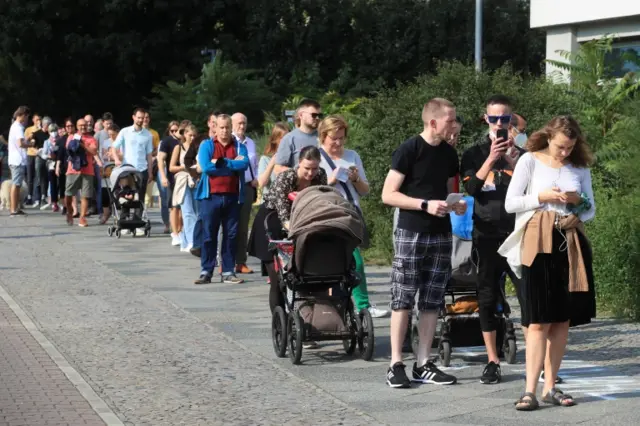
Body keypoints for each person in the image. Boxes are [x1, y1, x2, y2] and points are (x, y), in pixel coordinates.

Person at [501, 116, 596, 411]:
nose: (564, 152)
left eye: (569, 147)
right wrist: (541, 196)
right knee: (538, 318)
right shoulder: (530, 160)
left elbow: (590, 208)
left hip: (569, 239)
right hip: (537, 238)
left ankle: (551, 386)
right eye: (560, 146)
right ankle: (529, 389)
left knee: (561, 318)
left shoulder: (579, 168)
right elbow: (510, 203)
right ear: (548, 137)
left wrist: (576, 203)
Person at [381, 98, 467, 388]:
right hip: (411, 230)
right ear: (433, 122)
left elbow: (448, 192)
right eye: (449, 120)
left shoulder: (449, 155)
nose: (454, 124)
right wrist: (424, 204)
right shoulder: (408, 150)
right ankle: (395, 364)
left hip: (441, 232)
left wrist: (455, 205)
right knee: (402, 297)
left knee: (432, 299)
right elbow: (388, 194)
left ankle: (424, 363)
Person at [460, 95, 525, 384]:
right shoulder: (473, 154)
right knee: (485, 297)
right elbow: (471, 188)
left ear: (512, 121)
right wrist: (490, 159)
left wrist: (511, 162)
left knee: (528, 296)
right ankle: (492, 360)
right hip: (486, 235)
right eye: (495, 118)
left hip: (518, 235)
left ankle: (540, 360)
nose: (500, 124)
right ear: (486, 119)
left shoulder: (524, 155)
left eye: (505, 119)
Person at [317, 115, 389, 319]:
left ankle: (363, 304)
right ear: (323, 136)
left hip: (351, 213)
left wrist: (355, 178)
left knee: (355, 260)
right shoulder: (316, 157)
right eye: (334, 139)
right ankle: (333, 303)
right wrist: (329, 181)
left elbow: (365, 190)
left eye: (342, 138)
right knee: (330, 262)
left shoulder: (352, 155)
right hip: (327, 213)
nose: (338, 143)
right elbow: (308, 189)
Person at [255, 145, 327, 315]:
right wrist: (295, 230)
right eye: (307, 168)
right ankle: (280, 321)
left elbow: (321, 201)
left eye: (314, 168)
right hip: (271, 220)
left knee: (305, 274)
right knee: (277, 279)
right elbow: (282, 213)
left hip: (301, 220)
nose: (311, 173)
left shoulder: (321, 175)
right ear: (299, 164)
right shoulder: (286, 177)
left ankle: (307, 317)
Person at [193, 114, 249, 285]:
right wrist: (231, 164)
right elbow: (207, 167)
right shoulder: (206, 145)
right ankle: (206, 270)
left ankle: (228, 271)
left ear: (231, 128)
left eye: (227, 127)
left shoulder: (239, 146)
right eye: (221, 127)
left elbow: (244, 164)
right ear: (215, 128)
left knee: (231, 235)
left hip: (233, 197)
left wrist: (222, 163)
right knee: (209, 234)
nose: (224, 131)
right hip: (211, 197)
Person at [248, 122, 289, 281]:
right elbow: (262, 182)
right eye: (282, 138)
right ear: (275, 140)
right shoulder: (266, 159)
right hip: (271, 205)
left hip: (287, 204)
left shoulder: (291, 159)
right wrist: (273, 162)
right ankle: (271, 270)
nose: (285, 142)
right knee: (270, 239)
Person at [112, 107, 154, 234]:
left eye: (143, 118)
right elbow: (114, 147)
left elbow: (149, 155)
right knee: (126, 196)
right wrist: (116, 160)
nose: (141, 120)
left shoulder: (148, 135)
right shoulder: (125, 131)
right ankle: (124, 222)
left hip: (142, 169)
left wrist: (151, 172)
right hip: (127, 169)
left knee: (140, 198)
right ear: (134, 117)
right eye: (139, 117)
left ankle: (137, 224)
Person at [232, 112, 258, 274]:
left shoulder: (251, 143)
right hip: (231, 186)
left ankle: (241, 261)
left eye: (244, 123)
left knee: (243, 226)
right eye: (239, 123)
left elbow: (254, 164)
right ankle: (226, 261)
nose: (242, 126)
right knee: (229, 226)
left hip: (247, 186)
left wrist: (255, 178)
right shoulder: (229, 142)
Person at [170, 124, 199, 253]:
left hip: (196, 179)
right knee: (187, 211)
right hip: (183, 180)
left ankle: (188, 240)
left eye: (194, 135)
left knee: (197, 211)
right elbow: (171, 167)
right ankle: (191, 241)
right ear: (184, 135)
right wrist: (184, 167)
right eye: (189, 135)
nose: (192, 138)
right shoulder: (179, 147)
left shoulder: (198, 148)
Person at [64, 118, 99, 227]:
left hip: (88, 170)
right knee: (68, 194)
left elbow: (93, 151)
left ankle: (82, 218)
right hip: (73, 170)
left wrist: (83, 145)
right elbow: (68, 150)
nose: (83, 127)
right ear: (77, 126)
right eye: (80, 125)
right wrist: (76, 143)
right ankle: (70, 212)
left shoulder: (91, 139)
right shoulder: (71, 137)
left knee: (85, 196)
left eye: (85, 125)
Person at [274, 99, 322, 174]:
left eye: (320, 115)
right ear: (301, 115)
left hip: (323, 183)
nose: (317, 118)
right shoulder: (289, 139)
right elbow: (278, 168)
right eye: (314, 115)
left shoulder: (324, 137)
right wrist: (300, 173)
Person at [158, 121, 181, 235]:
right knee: (173, 205)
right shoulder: (166, 141)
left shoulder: (184, 140)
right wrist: (163, 176)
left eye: (177, 130)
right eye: (172, 130)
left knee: (182, 205)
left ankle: (180, 229)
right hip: (171, 177)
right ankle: (173, 230)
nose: (175, 133)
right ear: (169, 131)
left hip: (183, 176)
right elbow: (160, 159)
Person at [8, 106, 31, 216]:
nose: (27, 119)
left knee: (17, 184)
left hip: (16, 159)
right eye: (27, 116)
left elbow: (20, 141)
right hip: (17, 160)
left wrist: (27, 139)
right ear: (23, 115)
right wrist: (30, 144)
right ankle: (13, 209)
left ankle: (15, 207)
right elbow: (20, 144)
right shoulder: (18, 127)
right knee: (16, 184)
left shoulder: (15, 127)